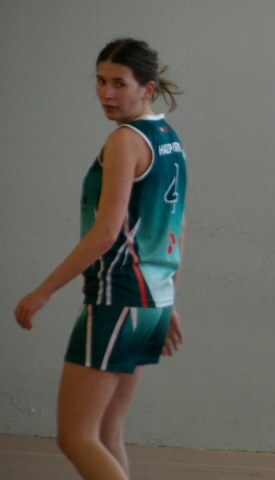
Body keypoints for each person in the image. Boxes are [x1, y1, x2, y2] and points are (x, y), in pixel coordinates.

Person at [14, 38, 188, 480]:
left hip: (118, 298)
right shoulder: (169, 138)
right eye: (100, 81)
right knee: (108, 433)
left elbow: (107, 233)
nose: (106, 93)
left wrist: (44, 290)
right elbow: (175, 227)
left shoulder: (126, 141)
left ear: (147, 88)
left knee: (76, 437)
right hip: (151, 302)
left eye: (119, 84)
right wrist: (168, 300)